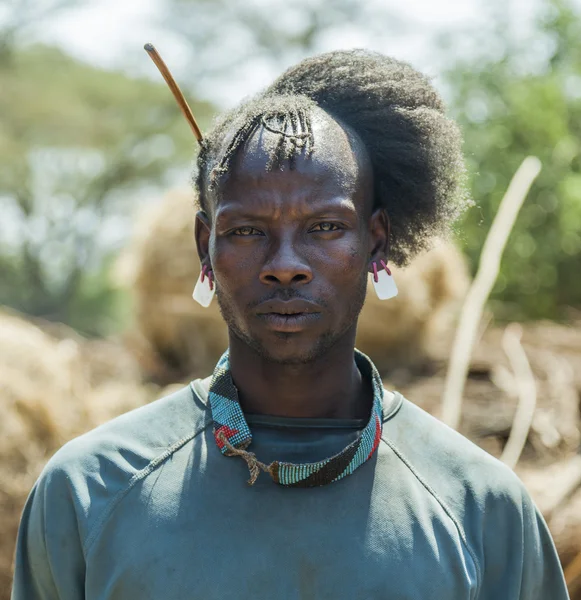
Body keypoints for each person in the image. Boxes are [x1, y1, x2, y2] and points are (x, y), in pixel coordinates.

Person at [12, 50, 569, 600]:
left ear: (375, 242)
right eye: (248, 231)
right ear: (204, 247)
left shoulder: (482, 509)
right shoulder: (89, 492)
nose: (284, 265)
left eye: (324, 227)